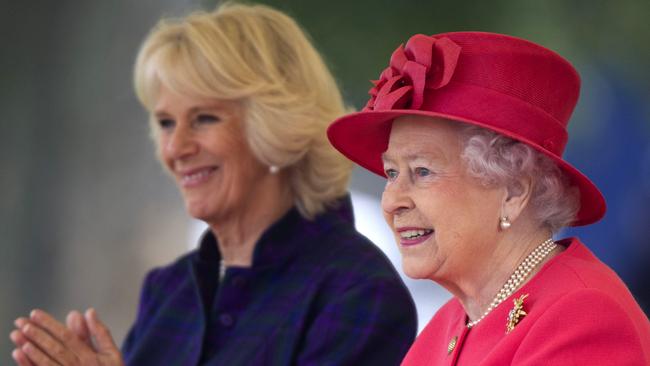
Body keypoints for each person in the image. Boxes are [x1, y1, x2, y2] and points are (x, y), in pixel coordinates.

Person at [9, 3, 417, 365]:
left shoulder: (359, 294)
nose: (176, 147)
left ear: (277, 126)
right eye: (165, 122)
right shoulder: (168, 290)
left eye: (204, 118)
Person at [327, 32, 650, 365]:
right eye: (392, 173)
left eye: (422, 171)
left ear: (513, 191)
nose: (392, 201)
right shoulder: (450, 322)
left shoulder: (584, 318)